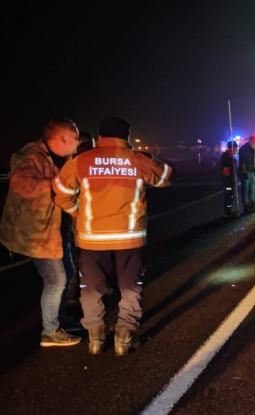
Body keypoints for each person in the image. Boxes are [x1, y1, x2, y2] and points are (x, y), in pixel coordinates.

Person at [53, 116, 172, 356]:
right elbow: (166, 177)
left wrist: (81, 213)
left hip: (91, 238)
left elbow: (61, 194)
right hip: (129, 238)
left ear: (101, 136)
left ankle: (95, 339)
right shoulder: (137, 160)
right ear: (126, 137)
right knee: (130, 288)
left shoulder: (80, 161)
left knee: (91, 289)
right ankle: (124, 338)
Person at [0, 118, 82, 347]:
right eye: (75, 137)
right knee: (56, 280)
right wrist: (58, 185)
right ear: (63, 138)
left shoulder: (60, 158)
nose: (78, 141)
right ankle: (50, 331)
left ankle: (60, 319)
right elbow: (21, 184)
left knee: (68, 273)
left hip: (56, 230)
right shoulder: (32, 157)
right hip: (40, 234)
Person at [238, 136, 255, 213]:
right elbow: (242, 162)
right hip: (245, 171)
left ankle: (253, 204)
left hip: (250, 171)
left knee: (252, 188)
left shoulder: (252, 149)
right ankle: (246, 207)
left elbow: (253, 160)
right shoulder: (243, 149)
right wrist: (244, 172)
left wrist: (254, 170)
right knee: (246, 189)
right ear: (251, 141)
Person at [221, 140, 239, 217]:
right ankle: (227, 213)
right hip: (227, 180)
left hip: (231, 179)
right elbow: (226, 169)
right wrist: (231, 162)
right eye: (235, 148)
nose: (236, 150)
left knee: (231, 195)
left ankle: (229, 211)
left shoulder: (231, 156)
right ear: (231, 148)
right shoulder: (226, 156)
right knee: (228, 195)